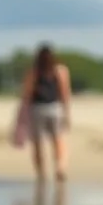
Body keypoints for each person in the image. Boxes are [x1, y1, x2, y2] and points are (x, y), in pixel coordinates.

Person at [20, 43, 72, 182]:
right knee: (58, 140)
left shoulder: (34, 72)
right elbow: (65, 93)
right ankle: (60, 168)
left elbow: (27, 94)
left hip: (37, 109)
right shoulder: (60, 71)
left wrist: (22, 114)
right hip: (55, 108)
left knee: (38, 144)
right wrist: (67, 113)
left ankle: (41, 173)